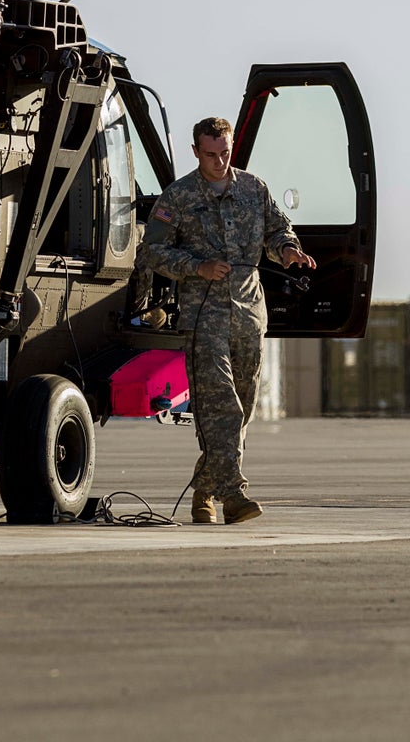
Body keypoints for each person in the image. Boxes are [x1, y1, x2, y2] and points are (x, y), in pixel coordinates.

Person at [136, 116, 316, 525]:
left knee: (243, 405)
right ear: (196, 151)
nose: (219, 161)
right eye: (211, 154)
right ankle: (234, 496)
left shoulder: (254, 188)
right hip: (204, 313)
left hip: (249, 310)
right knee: (221, 406)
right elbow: (152, 252)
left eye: (225, 153)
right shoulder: (178, 196)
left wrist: (288, 250)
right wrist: (197, 267)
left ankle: (204, 489)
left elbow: (277, 229)